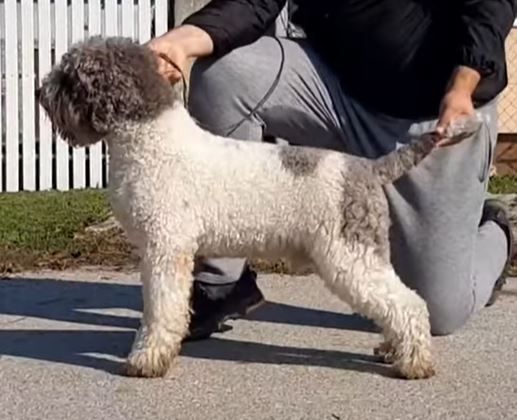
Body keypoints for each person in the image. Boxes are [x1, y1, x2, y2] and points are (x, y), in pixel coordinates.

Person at [147, 0, 516, 340]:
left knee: (440, 311)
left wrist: (464, 84)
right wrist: (179, 41)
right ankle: (221, 282)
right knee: (225, 74)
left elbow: (490, 5)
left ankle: (497, 233)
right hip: (335, 94)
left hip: (437, 115)